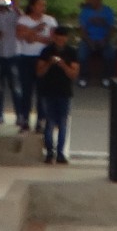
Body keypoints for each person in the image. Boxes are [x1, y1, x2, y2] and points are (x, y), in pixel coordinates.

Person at [36, 25, 80, 165]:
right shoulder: (46, 51)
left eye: (63, 37)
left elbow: (73, 74)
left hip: (64, 92)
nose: (60, 40)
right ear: (54, 37)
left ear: (66, 38)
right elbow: (39, 72)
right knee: (49, 123)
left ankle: (60, 152)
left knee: (62, 123)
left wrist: (62, 65)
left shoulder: (71, 52)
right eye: (57, 37)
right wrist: (49, 62)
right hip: (48, 91)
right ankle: (49, 152)